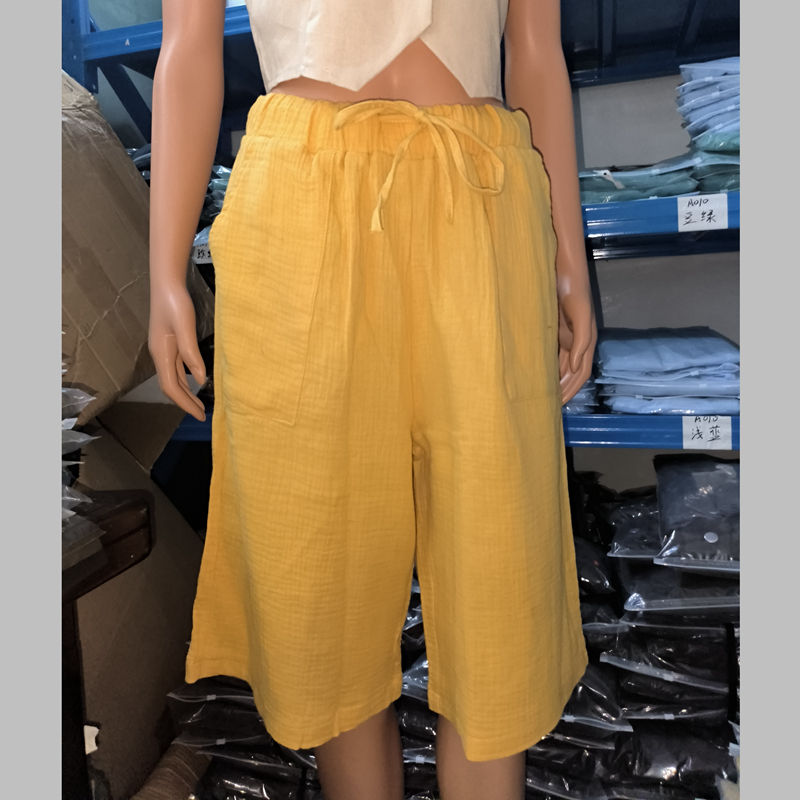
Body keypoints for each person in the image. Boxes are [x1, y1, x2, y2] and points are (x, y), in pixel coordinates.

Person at [148, 1, 596, 798]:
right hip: (302, 201)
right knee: (322, 574)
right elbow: (187, 45)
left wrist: (570, 260)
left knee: (498, 576)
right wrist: (164, 272)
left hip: (483, 195)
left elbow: (535, 47)